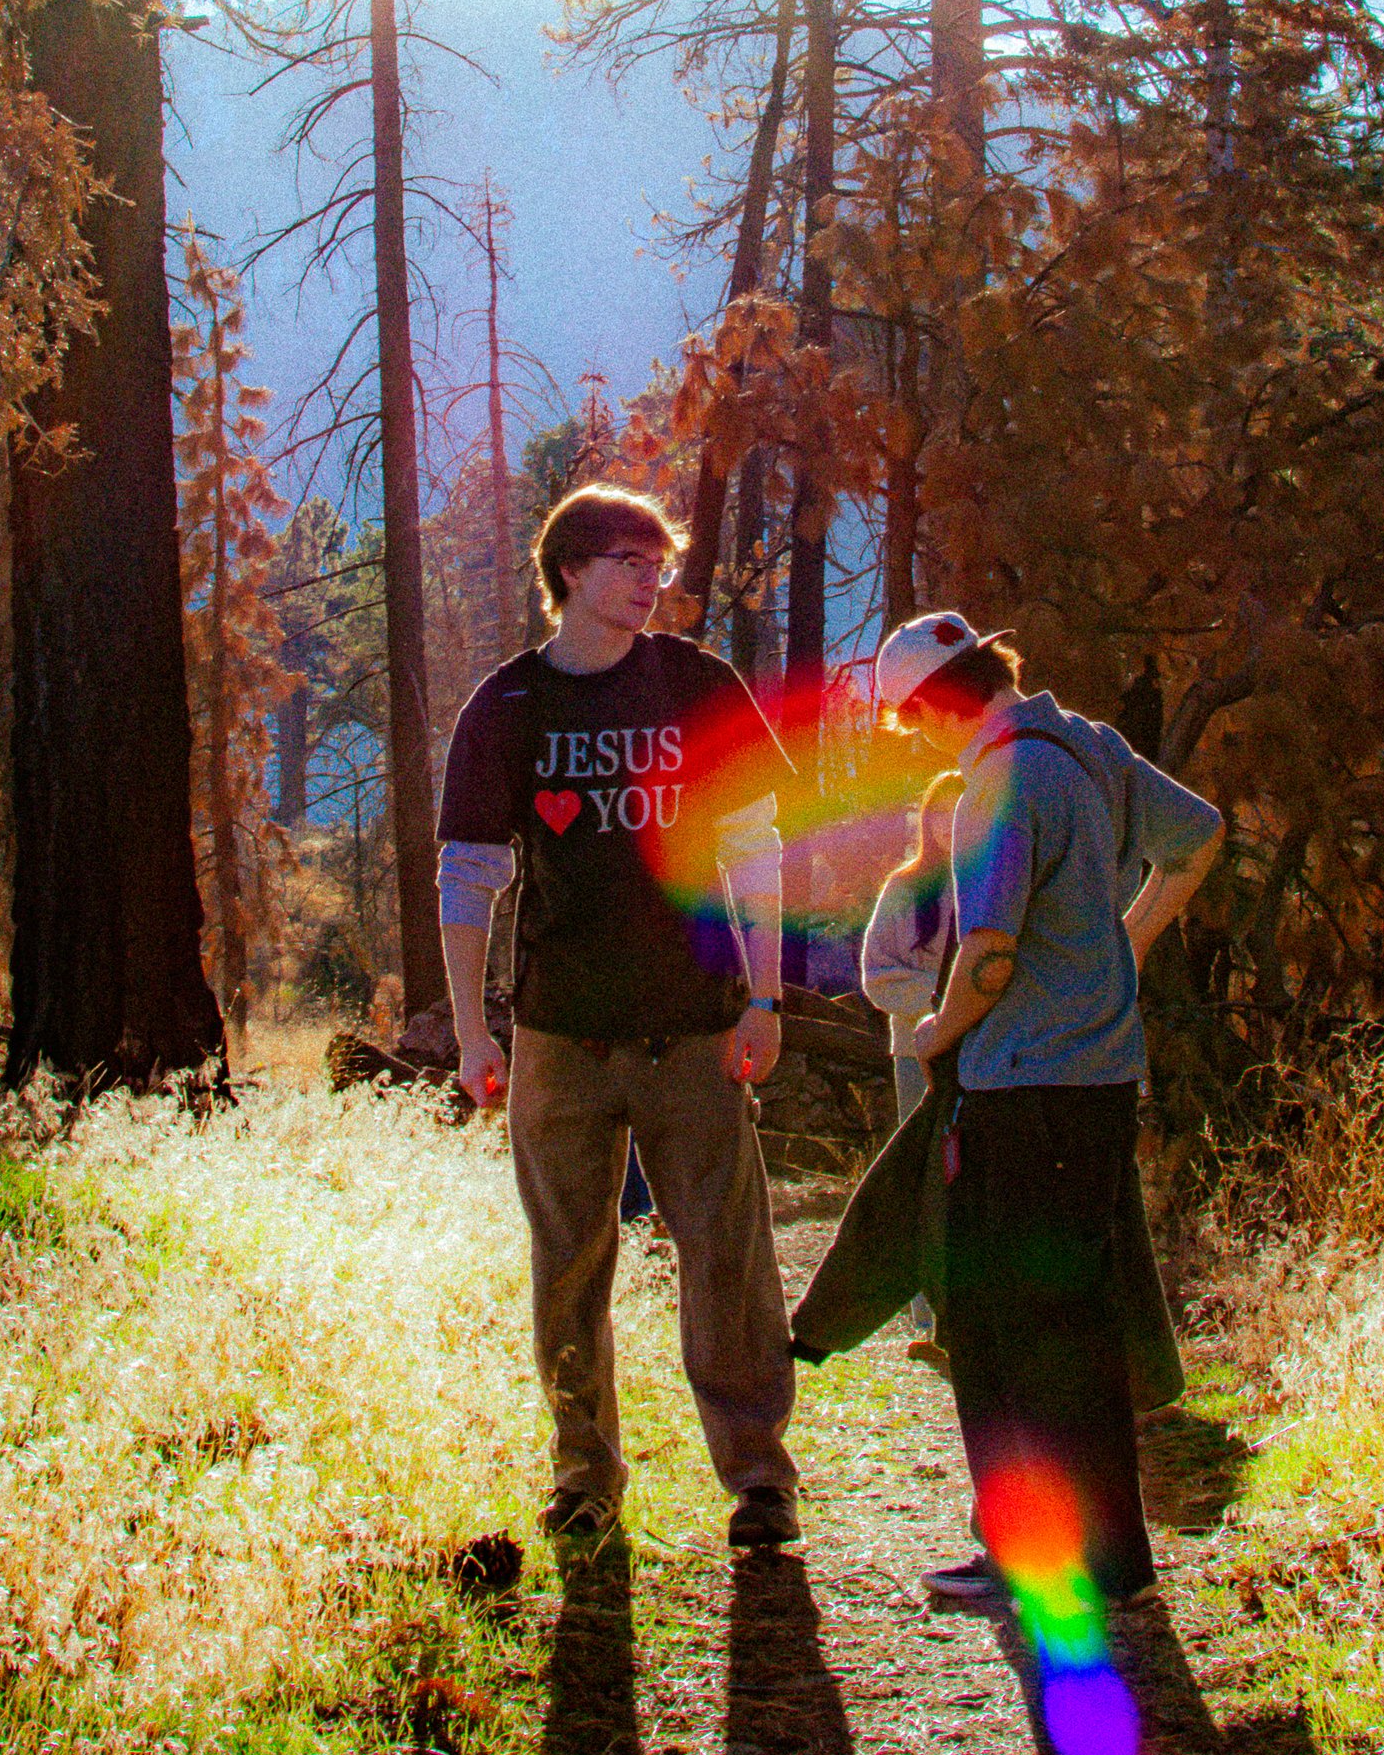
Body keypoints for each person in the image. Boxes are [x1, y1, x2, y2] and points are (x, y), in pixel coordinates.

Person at [437, 482, 802, 1552]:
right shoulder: (506, 709)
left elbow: (755, 853)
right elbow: (467, 883)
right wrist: (472, 1031)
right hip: (560, 1040)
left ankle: (758, 1482)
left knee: (726, 1260)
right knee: (568, 1265)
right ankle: (583, 1478)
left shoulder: (698, 684)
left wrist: (766, 996)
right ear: (569, 575)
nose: (652, 582)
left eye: (658, 564)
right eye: (629, 563)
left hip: (694, 1026)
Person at [872, 611, 1222, 1615]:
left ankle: (1025, 1563)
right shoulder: (1090, 744)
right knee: (1075, 1324)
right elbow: (1198, 838)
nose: (917, 741)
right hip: (1106, 1084)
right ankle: (1112, 1564)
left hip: (1020, 1089)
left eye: (911, 722)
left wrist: (937, 1032)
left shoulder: (996, 780)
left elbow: (987, 951)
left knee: (991, 1329)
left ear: (935, 704)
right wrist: (1132, 939)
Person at [857, 769, 963, 1354]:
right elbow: (876, 975)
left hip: (987, 1053)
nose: (949, 826)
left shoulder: (994, 881)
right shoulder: (905, 888)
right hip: (915, 1053)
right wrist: (940, 997)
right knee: (924, 1176)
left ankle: (971, 1312)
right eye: (939, 815)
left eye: (960, 812)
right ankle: (927, 1315)